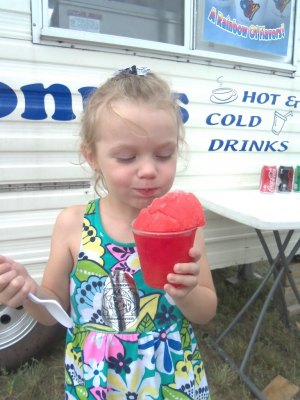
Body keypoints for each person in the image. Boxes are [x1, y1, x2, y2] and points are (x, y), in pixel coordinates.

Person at [0, 66, 217, 399]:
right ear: (93, 157)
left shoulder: (182, 229)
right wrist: (28, 292)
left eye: (164, 154)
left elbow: (206, 312)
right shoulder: (73, 225)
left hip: (168, 369)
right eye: (127, 157)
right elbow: (52, 311)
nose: (148, 170)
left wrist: (187, 294)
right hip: (99, 377)